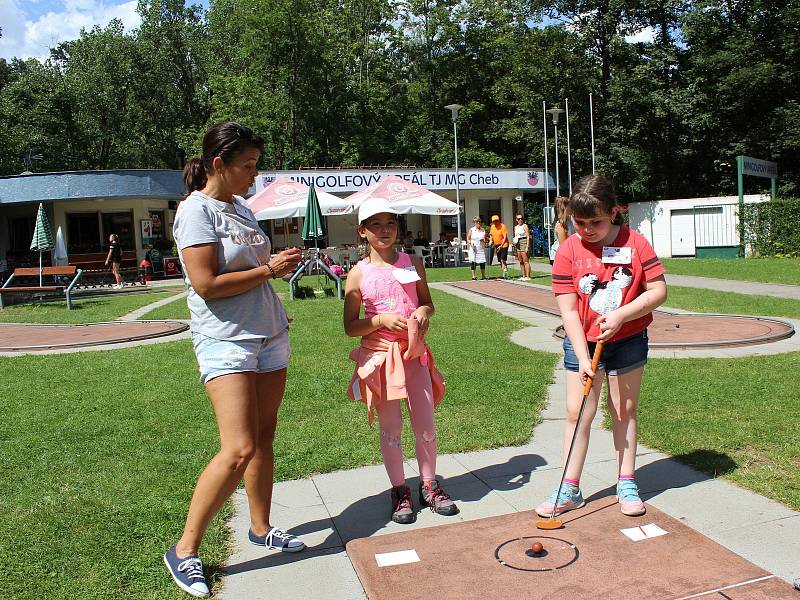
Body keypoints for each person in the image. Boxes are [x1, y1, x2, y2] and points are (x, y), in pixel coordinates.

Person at [164, 122, 306, 598]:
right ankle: (184, 549)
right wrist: (269, 268)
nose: (255, 174)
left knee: (264, 438)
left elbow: (249, 269)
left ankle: (261, 527)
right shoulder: (194, 211)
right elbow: (205, 283)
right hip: (226, 340)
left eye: (257, 165)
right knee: (238, 447)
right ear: (218, 164)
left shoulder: (240, 207)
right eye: (248, 166)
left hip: (269, 335)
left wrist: (275, 266)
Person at [535, 174, 667, 520]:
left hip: (628, 339)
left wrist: (623, 314)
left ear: (614, 212)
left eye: (596, 222)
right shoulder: (568, 250)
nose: (588, 230)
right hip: (582, 342)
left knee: (624, 409)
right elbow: (567, 309)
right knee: (577, 413)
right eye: (580, 223)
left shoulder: (635, 243)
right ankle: (569, 487)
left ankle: (626, 482)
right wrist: (582, 357)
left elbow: (658, 291)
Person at [344, 197, 458, 525]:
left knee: (426, 424)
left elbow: (427, 303)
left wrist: (423, 312)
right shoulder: (358, 274)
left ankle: (429, 484)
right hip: (381, 360)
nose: (384, 231)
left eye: (390, 223)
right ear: (362, 232)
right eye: (376, 225)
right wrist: (379, 322)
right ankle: (399, 490)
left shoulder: (412, 262)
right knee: (391, 428)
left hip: (414, 355)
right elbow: (350, 327)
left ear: (398, 228)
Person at [549, 195, 572, 265]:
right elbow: (563, 245)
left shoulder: (571, 220)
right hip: (560, 255)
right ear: (565, 208)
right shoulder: (560, 225)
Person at [513, 214, 531, 281]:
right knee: (520, 261)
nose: (520, 220)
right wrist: (514, 243)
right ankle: (523, 275)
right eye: (518, 219)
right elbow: (516, 236)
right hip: (518, 243)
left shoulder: (525, 226)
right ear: (516, 220)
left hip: (524, 241)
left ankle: (528, 276)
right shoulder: (516, 227)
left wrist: (527, 246)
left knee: (525, 260)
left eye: (521, 218)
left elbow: (528, 236)